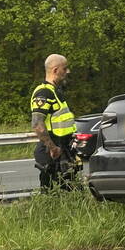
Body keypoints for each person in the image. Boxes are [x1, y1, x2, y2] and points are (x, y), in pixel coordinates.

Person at [31, 54, 77, 189]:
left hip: (63, 149)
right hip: (52, 151)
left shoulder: (56, 91)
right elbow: (37, 125)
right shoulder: (44, 93)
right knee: (51, 190)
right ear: (55, 70)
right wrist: (52, 148)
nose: (68, 71)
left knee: (70, 189)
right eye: (65, 68)